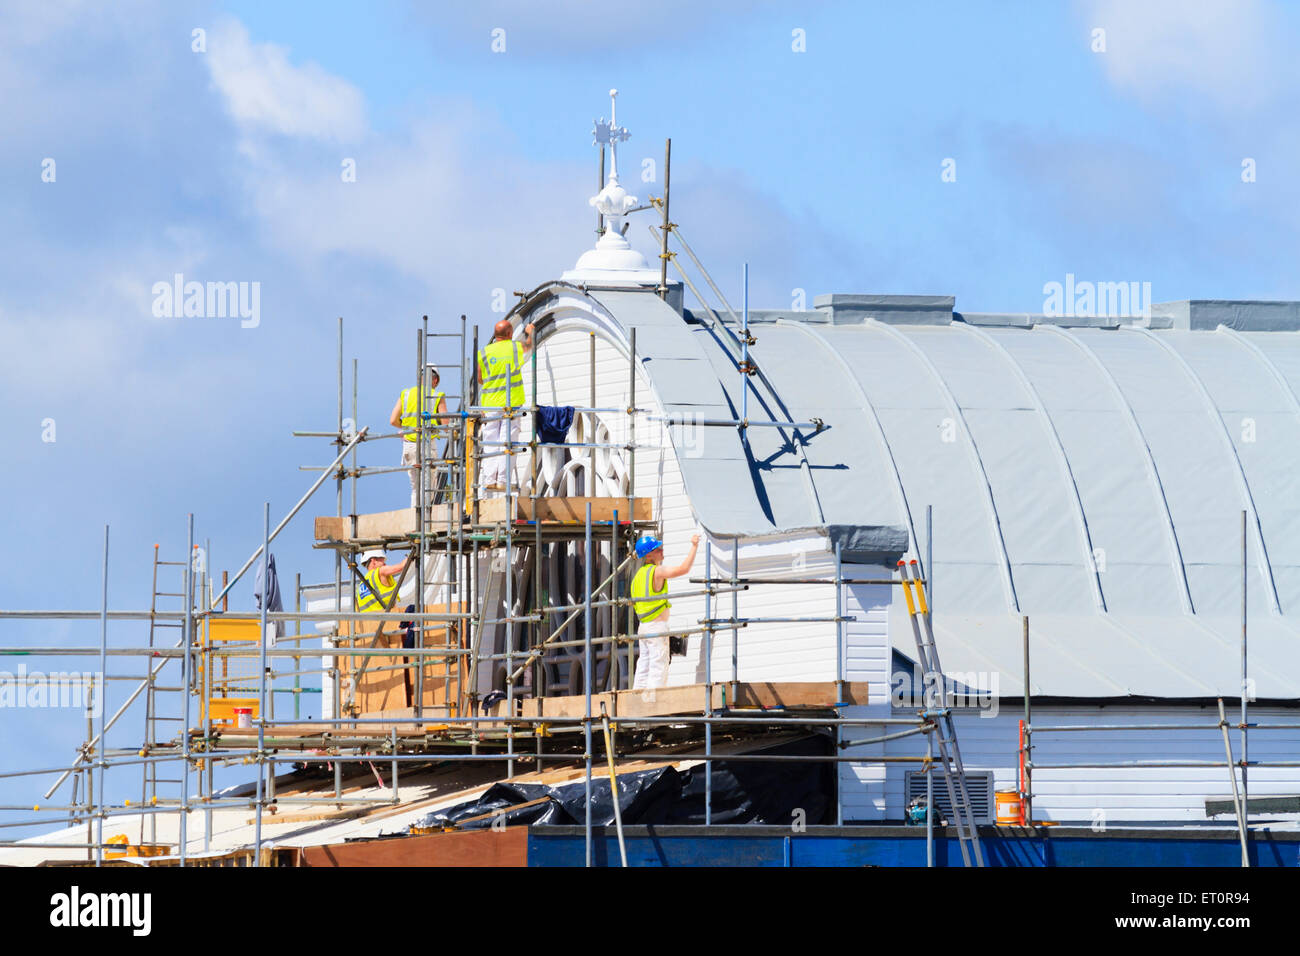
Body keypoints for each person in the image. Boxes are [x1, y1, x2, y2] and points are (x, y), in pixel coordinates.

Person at [629, 532, 700, 690]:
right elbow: (683, 569)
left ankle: (637, 697)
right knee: (658, 666)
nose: (661, 551)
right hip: (656, 627)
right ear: (648, 556)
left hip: (644, 627)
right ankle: (654, 704)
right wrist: (694, 546)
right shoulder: (657, 571)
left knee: (644, 664)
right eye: (657, 549)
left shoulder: (637, 577)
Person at [476, 319, 534, 494]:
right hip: (510, 404)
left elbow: (480, 378)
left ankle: (489, 479)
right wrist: (530, 331)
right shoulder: (513, 347)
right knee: (507, 441)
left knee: (490, 442)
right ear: (509, 334)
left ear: (495, 335)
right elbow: (529, 345)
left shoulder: (484, 352)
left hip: (490, 403)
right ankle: (502, 479)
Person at [390, 364, 447, 509]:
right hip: (427, 445)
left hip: (409, 445)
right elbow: (446, 424)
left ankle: (414, 519)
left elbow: (393, 420)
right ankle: (424, 521)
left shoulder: (406, 394)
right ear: (435, 381)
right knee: (428, 486)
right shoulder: (437, 395)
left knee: (416, 487)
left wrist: (407, 428)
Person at [354, 549, 411, 615]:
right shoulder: (380, 571)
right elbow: (402, 567)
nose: (385, 564)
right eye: (382, 561)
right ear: (374, 561)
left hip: (367, 621)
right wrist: (411, 555)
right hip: (383, 619)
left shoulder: (361, 585)